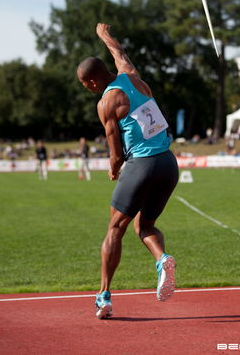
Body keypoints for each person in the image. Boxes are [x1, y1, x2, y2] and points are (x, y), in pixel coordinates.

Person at [77, 23, 179, 319]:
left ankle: (104, 296)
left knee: (114, 230)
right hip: (168, 164)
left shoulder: (106, 102)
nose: (88, 90)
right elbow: (118, 52)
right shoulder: (132, 77)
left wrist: (112, 170)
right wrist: (104, 35)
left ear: (94, 82)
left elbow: (116, 152)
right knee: (143, 226)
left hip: (142, 166)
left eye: (87, 86)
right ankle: (162, 260)